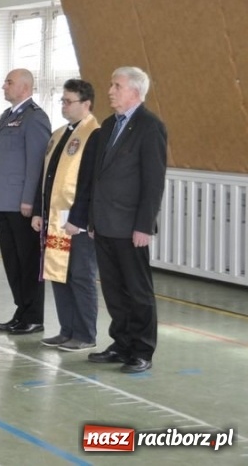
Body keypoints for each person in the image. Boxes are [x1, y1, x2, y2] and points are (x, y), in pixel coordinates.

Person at [88, 67, 167, 373]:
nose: (110, 91)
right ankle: (121, 343)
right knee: (113, 289)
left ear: (135, 91)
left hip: (131, 225)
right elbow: (98, 176)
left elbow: (153, 181)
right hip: (105, 222)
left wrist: (144, 225)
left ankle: (142, 349)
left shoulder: (150, 126)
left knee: (138, 291)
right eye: (111, 85)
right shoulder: (108, 126)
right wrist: (93, 219)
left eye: (116, 86)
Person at [32, 79, 100, 352]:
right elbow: (46, 175)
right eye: (62, 100)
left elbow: (89, 182)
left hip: (76, 220)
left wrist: (80, 218)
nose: (64, 105)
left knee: (80, 275)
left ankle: (85, 333)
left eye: (69, 101)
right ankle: (67, 329)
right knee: (58, 272)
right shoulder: (59, 134)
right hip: (55, 215)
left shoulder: (94, 135)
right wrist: (39, 210)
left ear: (86, 104)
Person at [0, 69, 51, 335]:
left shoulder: (34, 118)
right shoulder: (7, 116)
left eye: (9, 82)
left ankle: (34, 316)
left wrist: (30, 200)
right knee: (12, 261)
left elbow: (37, 163)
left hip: (21, 202)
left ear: (25, 87)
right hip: (4, 200)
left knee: (28, 261)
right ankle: (21, 310)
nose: (4, 86)